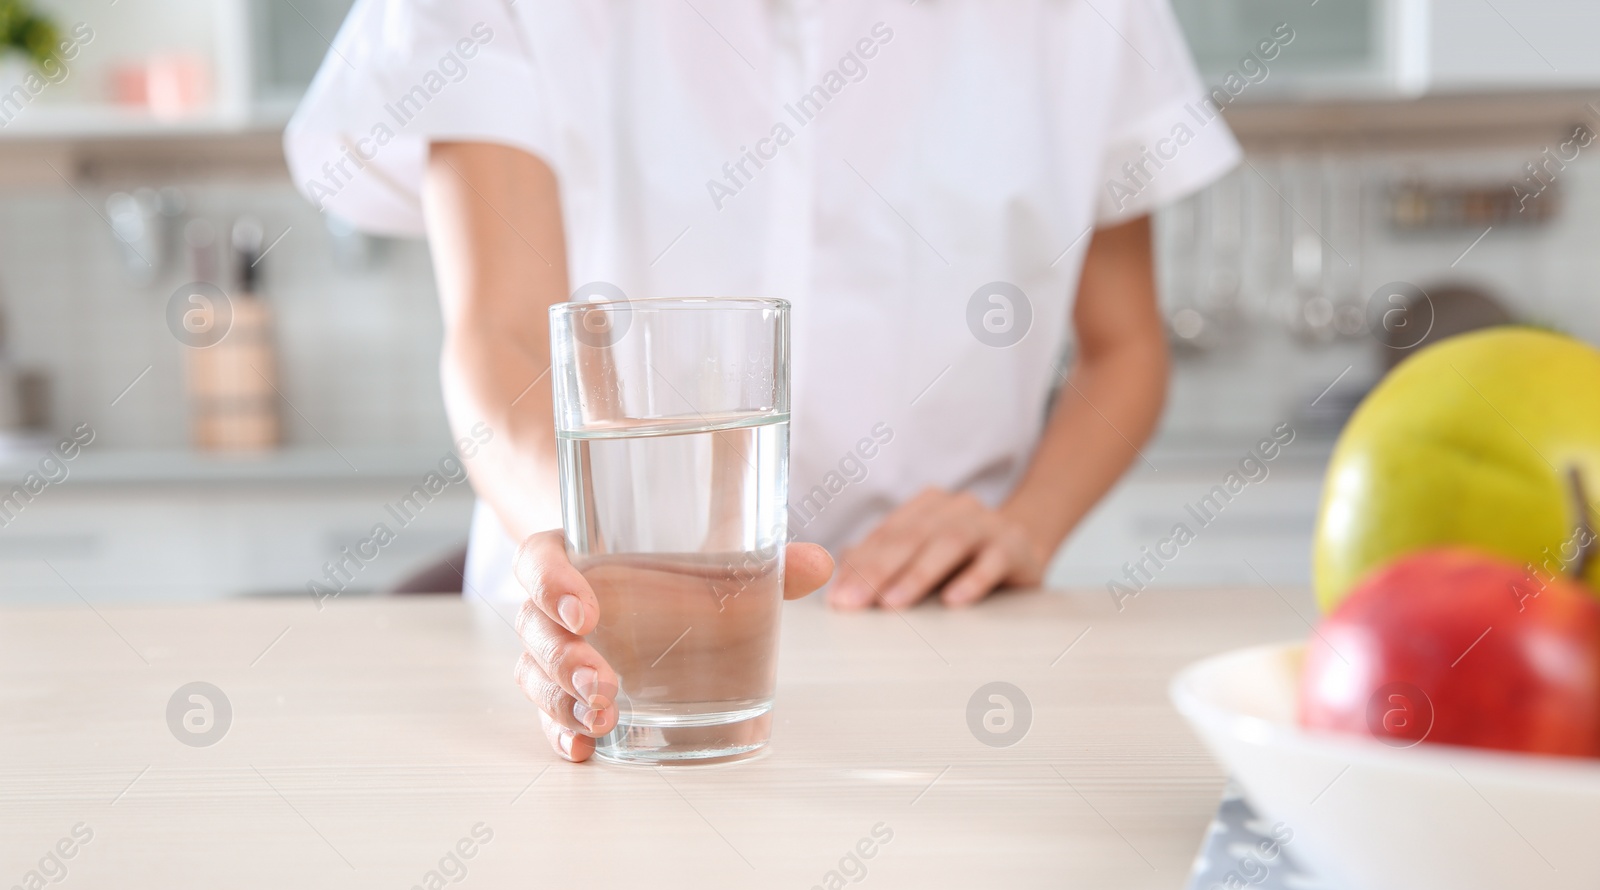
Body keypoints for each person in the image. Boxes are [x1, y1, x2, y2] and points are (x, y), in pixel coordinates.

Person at [286, 0, 1239, 761]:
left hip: (943, 647)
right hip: (601, 650)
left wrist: (1024, 526)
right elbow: (500, 335)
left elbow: (1125, 347)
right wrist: (594, 561)